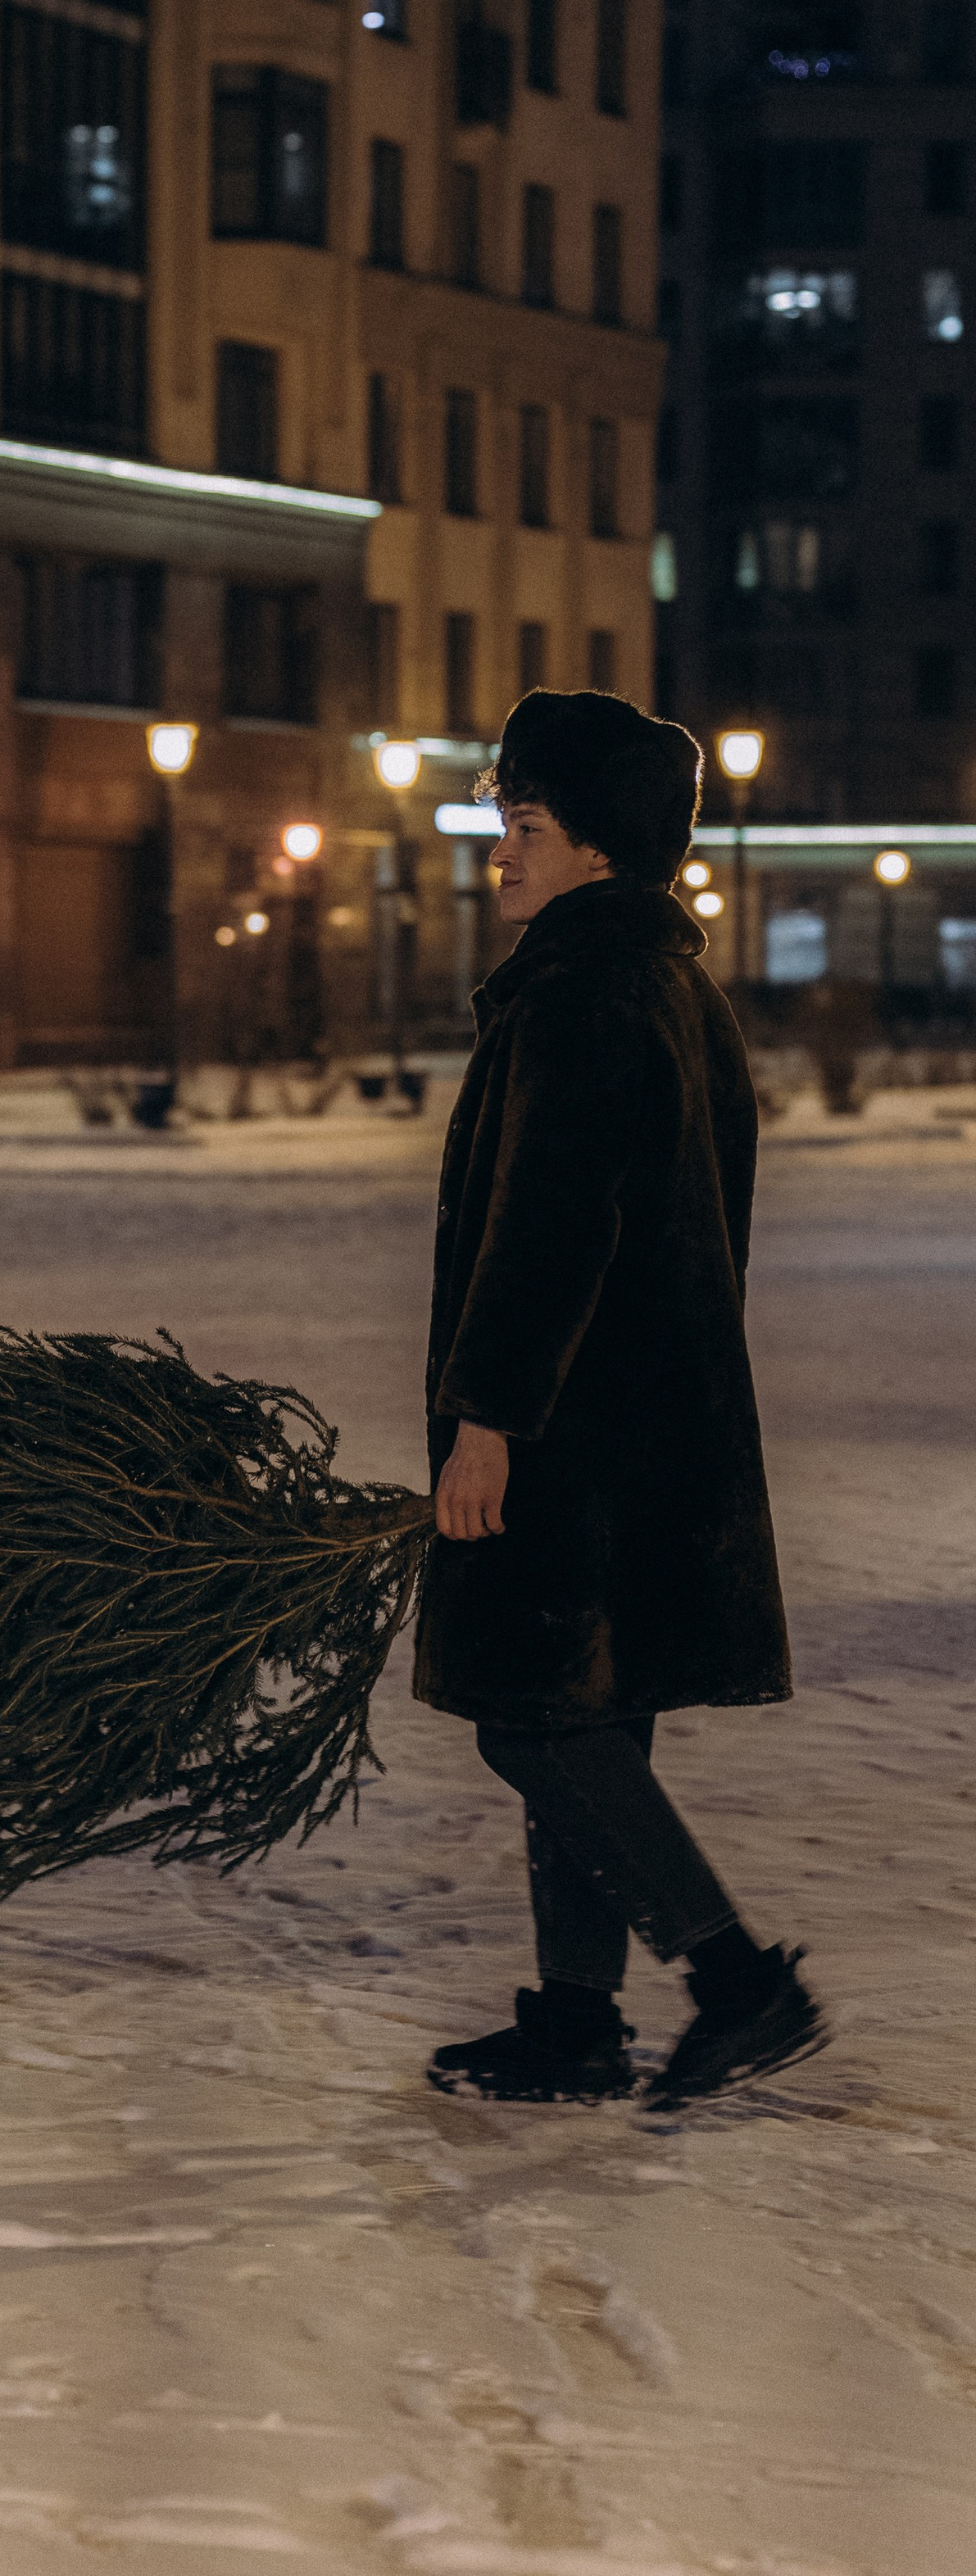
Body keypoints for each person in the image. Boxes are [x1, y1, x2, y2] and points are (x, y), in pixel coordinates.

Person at [416, 691, 826, 2107]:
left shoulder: (587, 988)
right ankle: (576, 2019)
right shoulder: (668, 982)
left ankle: (737, 1980)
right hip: (647, 1424)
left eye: (523, 826)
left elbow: (553, 1228)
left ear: (593, 847)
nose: (499, 852)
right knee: (586, 1713)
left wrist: (490, 1421)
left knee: (531, 1715)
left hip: (571, 1434)